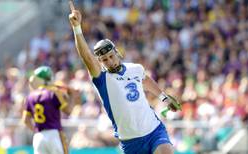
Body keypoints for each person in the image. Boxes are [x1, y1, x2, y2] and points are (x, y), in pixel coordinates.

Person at [68, 2, 181, 154]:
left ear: (116, 53)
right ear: (100, 62)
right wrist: (77, 28)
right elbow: (87, 57)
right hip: (130, 141)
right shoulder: (102, 78)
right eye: (105, 59)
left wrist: (163, 97)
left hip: (153, 130)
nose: (110, 61)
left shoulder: (135, 68)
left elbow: (145, 79)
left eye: (111, 56)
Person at [22, 66, 79, 154]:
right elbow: (68, 111)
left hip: (38, 136)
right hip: (53, 134)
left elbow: (25, 120)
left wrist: (35, 130)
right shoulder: (54, 92)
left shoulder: (30, 96)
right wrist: (71, 96)